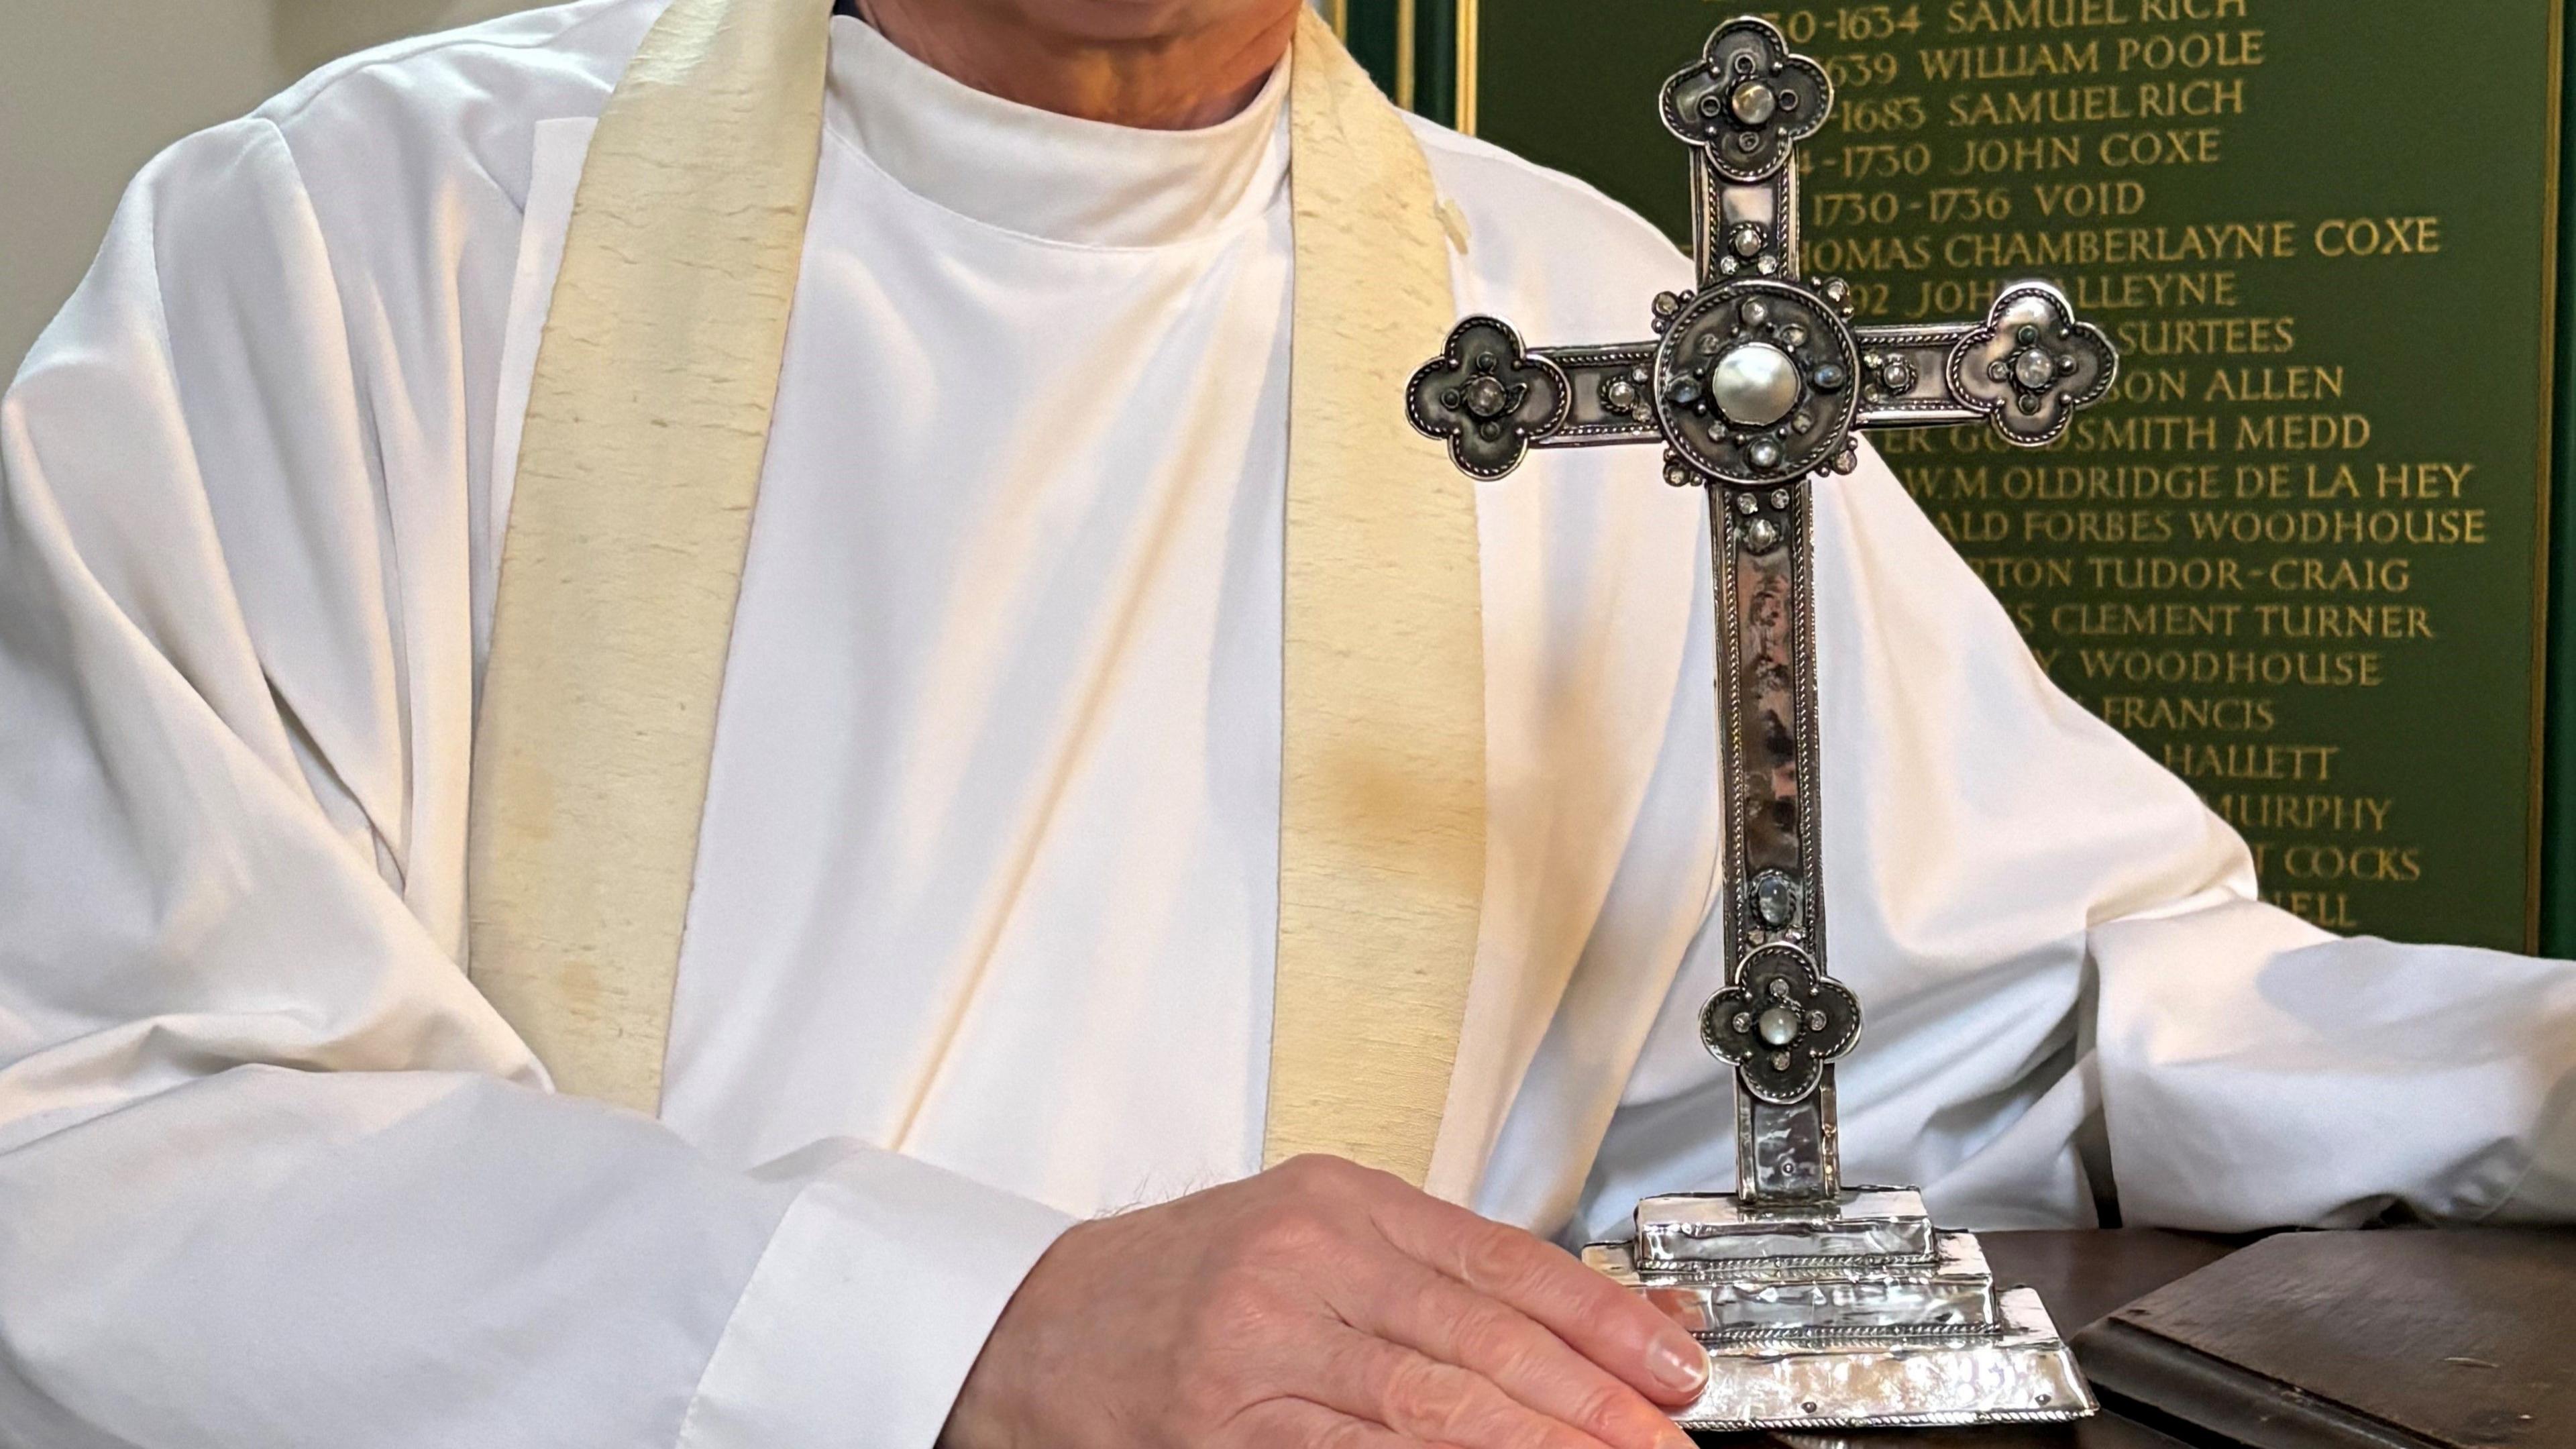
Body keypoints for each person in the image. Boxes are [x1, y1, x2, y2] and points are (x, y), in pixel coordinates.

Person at [2, 1, 2571, 1446]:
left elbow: (2041, 1001)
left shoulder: (1573, 330)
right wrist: (954, 1337)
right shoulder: (351, 248)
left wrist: (2542, 1076)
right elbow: (86, 1125)